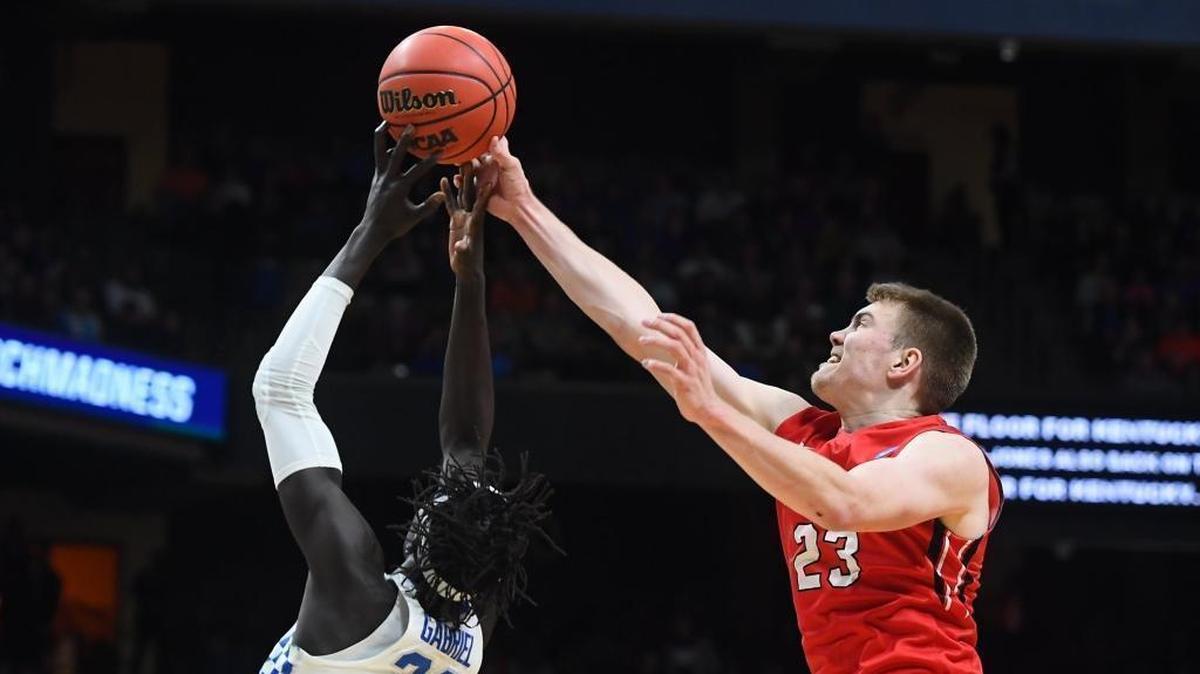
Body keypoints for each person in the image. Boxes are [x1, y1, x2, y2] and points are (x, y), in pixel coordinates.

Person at [482, 136, 1002, 673]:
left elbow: (846, 503)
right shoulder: (802, 429)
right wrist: (524, 210)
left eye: (859, 325)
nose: (836, 334)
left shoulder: (947, 456)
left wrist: (712, 412)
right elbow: (639, 327)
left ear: (904, 364)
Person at [254, 125, 555, 674]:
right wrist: (470, 277)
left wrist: (370, 232)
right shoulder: (470, 621)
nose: (447, 480)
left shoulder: (356, 592)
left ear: (419, 530)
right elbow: (466, 439)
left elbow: (280, 389)